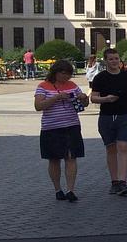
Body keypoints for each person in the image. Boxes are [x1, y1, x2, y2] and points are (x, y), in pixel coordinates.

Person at [89, 48, 127, 196]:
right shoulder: (100, 77)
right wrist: (106, 99)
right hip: (107, 117)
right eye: (111, 59)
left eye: (116, 58)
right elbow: (93, 98)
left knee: (123, 146)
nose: (114, 61)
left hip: (126, 115)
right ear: (105, 61)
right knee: (111, 149)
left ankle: (122, 181)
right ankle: (114, 182)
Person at [35, 59, 88, 202]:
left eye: (68, 74)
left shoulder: (72, 85)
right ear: (55, 72)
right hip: (51, 128)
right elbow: (38, 106)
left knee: (71, 157)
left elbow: (84, 104)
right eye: (63, 73)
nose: (66, 77)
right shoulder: (43, 86)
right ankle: (58, 189)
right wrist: (57, 97)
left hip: (72, 126)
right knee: (54, 159)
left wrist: (83, 98)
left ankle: (70, 190)